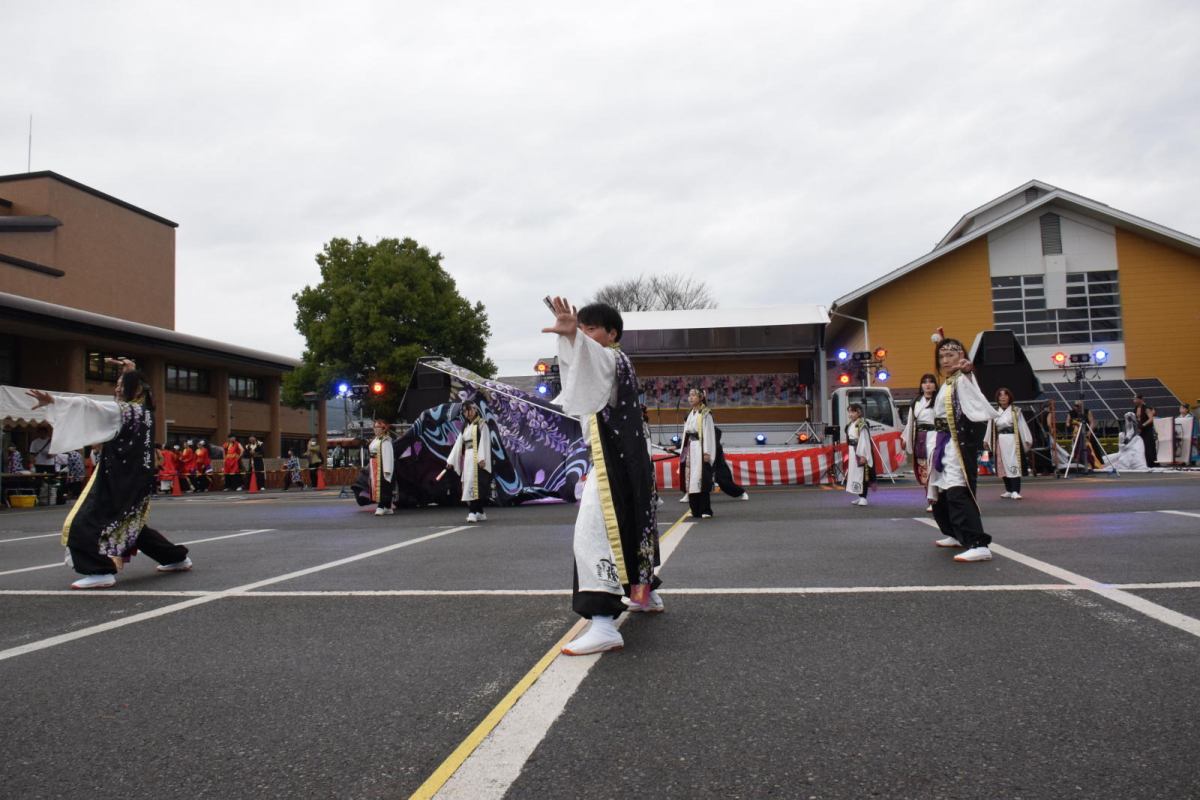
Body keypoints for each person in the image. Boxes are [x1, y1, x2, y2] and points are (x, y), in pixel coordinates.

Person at [543, 297, 660, 656]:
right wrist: (574, 340)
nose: (584, 334)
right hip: (628, 461)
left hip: (614, 463)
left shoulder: (609, 358)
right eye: (583, 327)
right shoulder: (617, 362)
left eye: (591, 328)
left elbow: (586, 365)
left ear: (612, 334)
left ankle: (604, 623)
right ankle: (645, 593)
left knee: (592, 533)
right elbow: (578, 386)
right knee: (632, 524)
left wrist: (572, 340)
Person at [26, 364, 191, 589]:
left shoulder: (123, 411)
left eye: (121, 385)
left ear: (136, 391)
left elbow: (89, 406)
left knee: (82, 522)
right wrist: (131, 370)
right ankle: (176, 558)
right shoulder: (145, 412)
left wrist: (55, 401)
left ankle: (99, 571)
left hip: (117, 479)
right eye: (117, 385)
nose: (116, 390)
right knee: (131, 524)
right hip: (134, 479)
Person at [926, 330, 1000, 563]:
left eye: (950, 355)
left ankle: (978, 543)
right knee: (942, 492)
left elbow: (974, 392)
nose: (945, 360)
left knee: (958, 489)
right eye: (942, 356)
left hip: (957, 443)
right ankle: (955, 534)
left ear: (962, 357)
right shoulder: (948, 382)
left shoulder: (962, 380)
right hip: (942, 443)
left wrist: (968, 371)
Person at [446, 401, 493, 523]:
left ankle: (472, 512)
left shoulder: (482, 424)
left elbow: (485, 442)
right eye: (465, 411)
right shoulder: (465, 426)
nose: (467, 413)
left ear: (475, 409)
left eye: (469, 410)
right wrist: (451, 460)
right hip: (468, 458)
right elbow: (458, 444)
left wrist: (482, 458)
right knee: (469, 483)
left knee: (474, 484)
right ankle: (480, 512)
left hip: (477, 458)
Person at [902, 373, 939, 512]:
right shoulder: (916, 402)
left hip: (936, 435)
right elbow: (911, 422)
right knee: (924, 469)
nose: (927, 385)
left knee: (934, 467)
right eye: (924, 382)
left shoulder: (940, 400)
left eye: (930, 382)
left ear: (935, 386)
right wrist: (906, 438)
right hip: (921, 437)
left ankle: (938, 499)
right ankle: (930, 499)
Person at [987, 387, 1033, 499]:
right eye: (1000, 395)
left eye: (1005, 395)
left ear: (1009, 397)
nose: (1002, 397)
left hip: (1012, 441)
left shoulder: (1016, 411)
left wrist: (1027, 439)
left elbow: (1022, 425)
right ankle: (1008, 489)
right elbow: (990, 427)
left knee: (1013, 463)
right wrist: (986, 439)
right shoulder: (994, 411)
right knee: (1002, 464)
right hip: (1000, 441)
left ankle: (1015, 490)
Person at [679, 388, 716, 519]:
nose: (690, 398)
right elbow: (686, 433)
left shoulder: (705, 413)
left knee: (701, 478)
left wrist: (707, 452)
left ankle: (706, 509)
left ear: (700, 397)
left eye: (693, 395)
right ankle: (695, 510)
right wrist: (681, 448)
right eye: (689, 395)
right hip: (690, 448)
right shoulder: (689, 413)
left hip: (700, 447)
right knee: (691, 479)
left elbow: (708, 433)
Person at [844, 403, 874, 506]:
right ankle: (859, 495)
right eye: (849, 412)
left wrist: (863, 455)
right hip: (852, 450)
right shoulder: (850, 424)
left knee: (862, 474)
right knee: (855, 474)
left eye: (853, 412)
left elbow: (864, 441)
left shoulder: (862, 425)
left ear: (859, 412)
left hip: (859, 450)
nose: (851, 414)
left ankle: (864, 497)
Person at [712, 427, 749, 501]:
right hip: (709, 465)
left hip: (719, 466)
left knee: (725, 482)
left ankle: (742, 492)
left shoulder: (716, 445)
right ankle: (689, 496)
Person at [368, 421, 395, 515]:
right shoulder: (376, 439)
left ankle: (380, 506)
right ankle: (387, 507)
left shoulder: (385, 440)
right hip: (375, 464)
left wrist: (387, 469)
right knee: (378, 486)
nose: (375, 429)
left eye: (378, 427)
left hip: (381, 466)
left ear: (384, 429)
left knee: (383, 487)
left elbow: (388, 455)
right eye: (375, 427)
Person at [1067, 400, 1101, 471]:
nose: (1077, 408)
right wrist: (1072, 426)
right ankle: (1079, 462)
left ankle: (1093, 464)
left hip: (1086, 432)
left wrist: (1089, 432)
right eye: (1076, 406)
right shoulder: (1071, 413)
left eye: (1079, 406)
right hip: (1076, 434)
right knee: (1077, 449)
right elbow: (1067, 423)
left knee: (1091, 449)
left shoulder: (1087, 412)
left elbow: (1092, 423)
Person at [1133, 395, 1158, 468]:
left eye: (1136, 399)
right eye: (1134, 399)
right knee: (1140, 446)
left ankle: (1151, 462)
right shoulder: (1135, 409)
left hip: (1147, 429)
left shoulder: (1146, 408)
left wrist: (1143, 425)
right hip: (1139, 430)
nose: (1135, 401)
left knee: (1148, 445)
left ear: (1141, 400)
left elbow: (1151, 418)